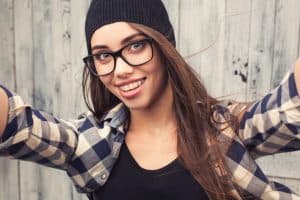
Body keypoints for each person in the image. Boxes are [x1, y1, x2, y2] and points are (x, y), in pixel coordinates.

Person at [0, 0, 300, 199]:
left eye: (135, 46)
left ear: (164, 45)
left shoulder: (226, 130)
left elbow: (290, 110)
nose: (120, 70)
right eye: (104, 55)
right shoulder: (90, 144)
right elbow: (17, 126)